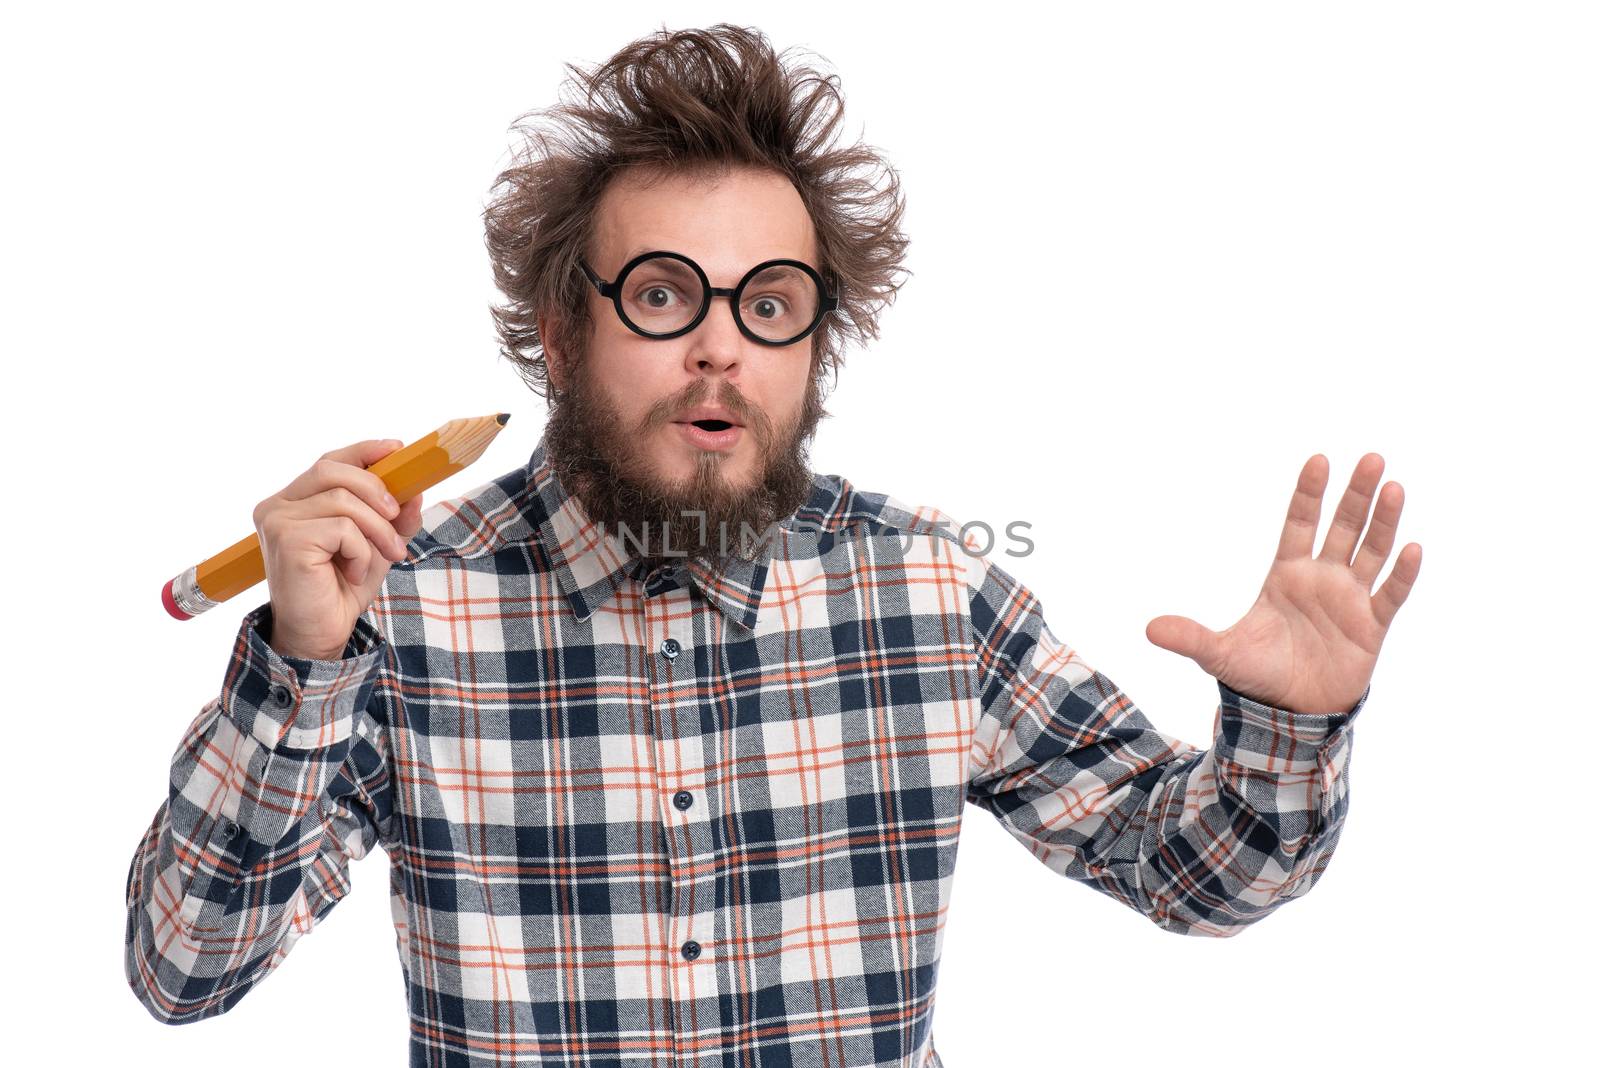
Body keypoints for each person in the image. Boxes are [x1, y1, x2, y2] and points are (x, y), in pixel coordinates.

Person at [123, 23, 1421, 1068]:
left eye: (773, 305)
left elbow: (1184, 867)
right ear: (564, 331)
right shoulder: (395, 617)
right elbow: (183, 973)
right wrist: (299, 662)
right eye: (665, 293)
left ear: (815, 348)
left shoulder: (931, 593)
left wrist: (1286, 735)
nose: (721, 347)